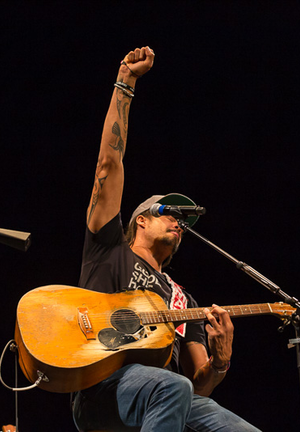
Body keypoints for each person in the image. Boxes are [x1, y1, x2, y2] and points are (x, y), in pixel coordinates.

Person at [71, 46, 260, 432]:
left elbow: (198, 390)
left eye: (182, 220)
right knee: (170, 386)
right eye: (169, 213)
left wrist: (220, 362)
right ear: (140, 220)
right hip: (102, 389)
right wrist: (125, 83)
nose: (177, 221)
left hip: (165, 393)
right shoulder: (110, 251)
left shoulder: (183, 300)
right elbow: (109, 163)